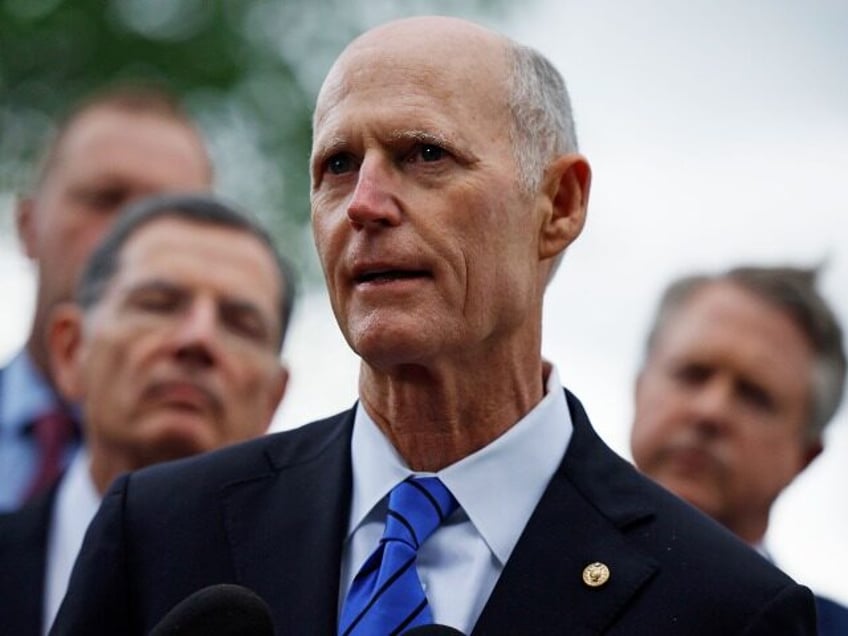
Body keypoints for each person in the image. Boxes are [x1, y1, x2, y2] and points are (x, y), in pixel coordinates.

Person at [51, 17, 816, 635]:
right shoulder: (158, 531)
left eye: (424, 155)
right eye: (338, 165)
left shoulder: (728, 606)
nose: (366, 204)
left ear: (559, 206)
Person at [0, 193, 294, 636]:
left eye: (239, 323)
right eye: (158, 303)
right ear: (71, 351)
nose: (198, 339)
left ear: (272, 399)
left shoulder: (315, 597)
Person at [0, 86, 212, 511]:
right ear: (28, 225)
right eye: (104, 199)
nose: (130, 234)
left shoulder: (248, 488)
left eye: (164, 213)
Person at [630, 265, 848, 635]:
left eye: (754, 395)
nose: (710, 411)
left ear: (805, 457)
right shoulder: (520, 558)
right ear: (639, 386)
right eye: (692, 373)